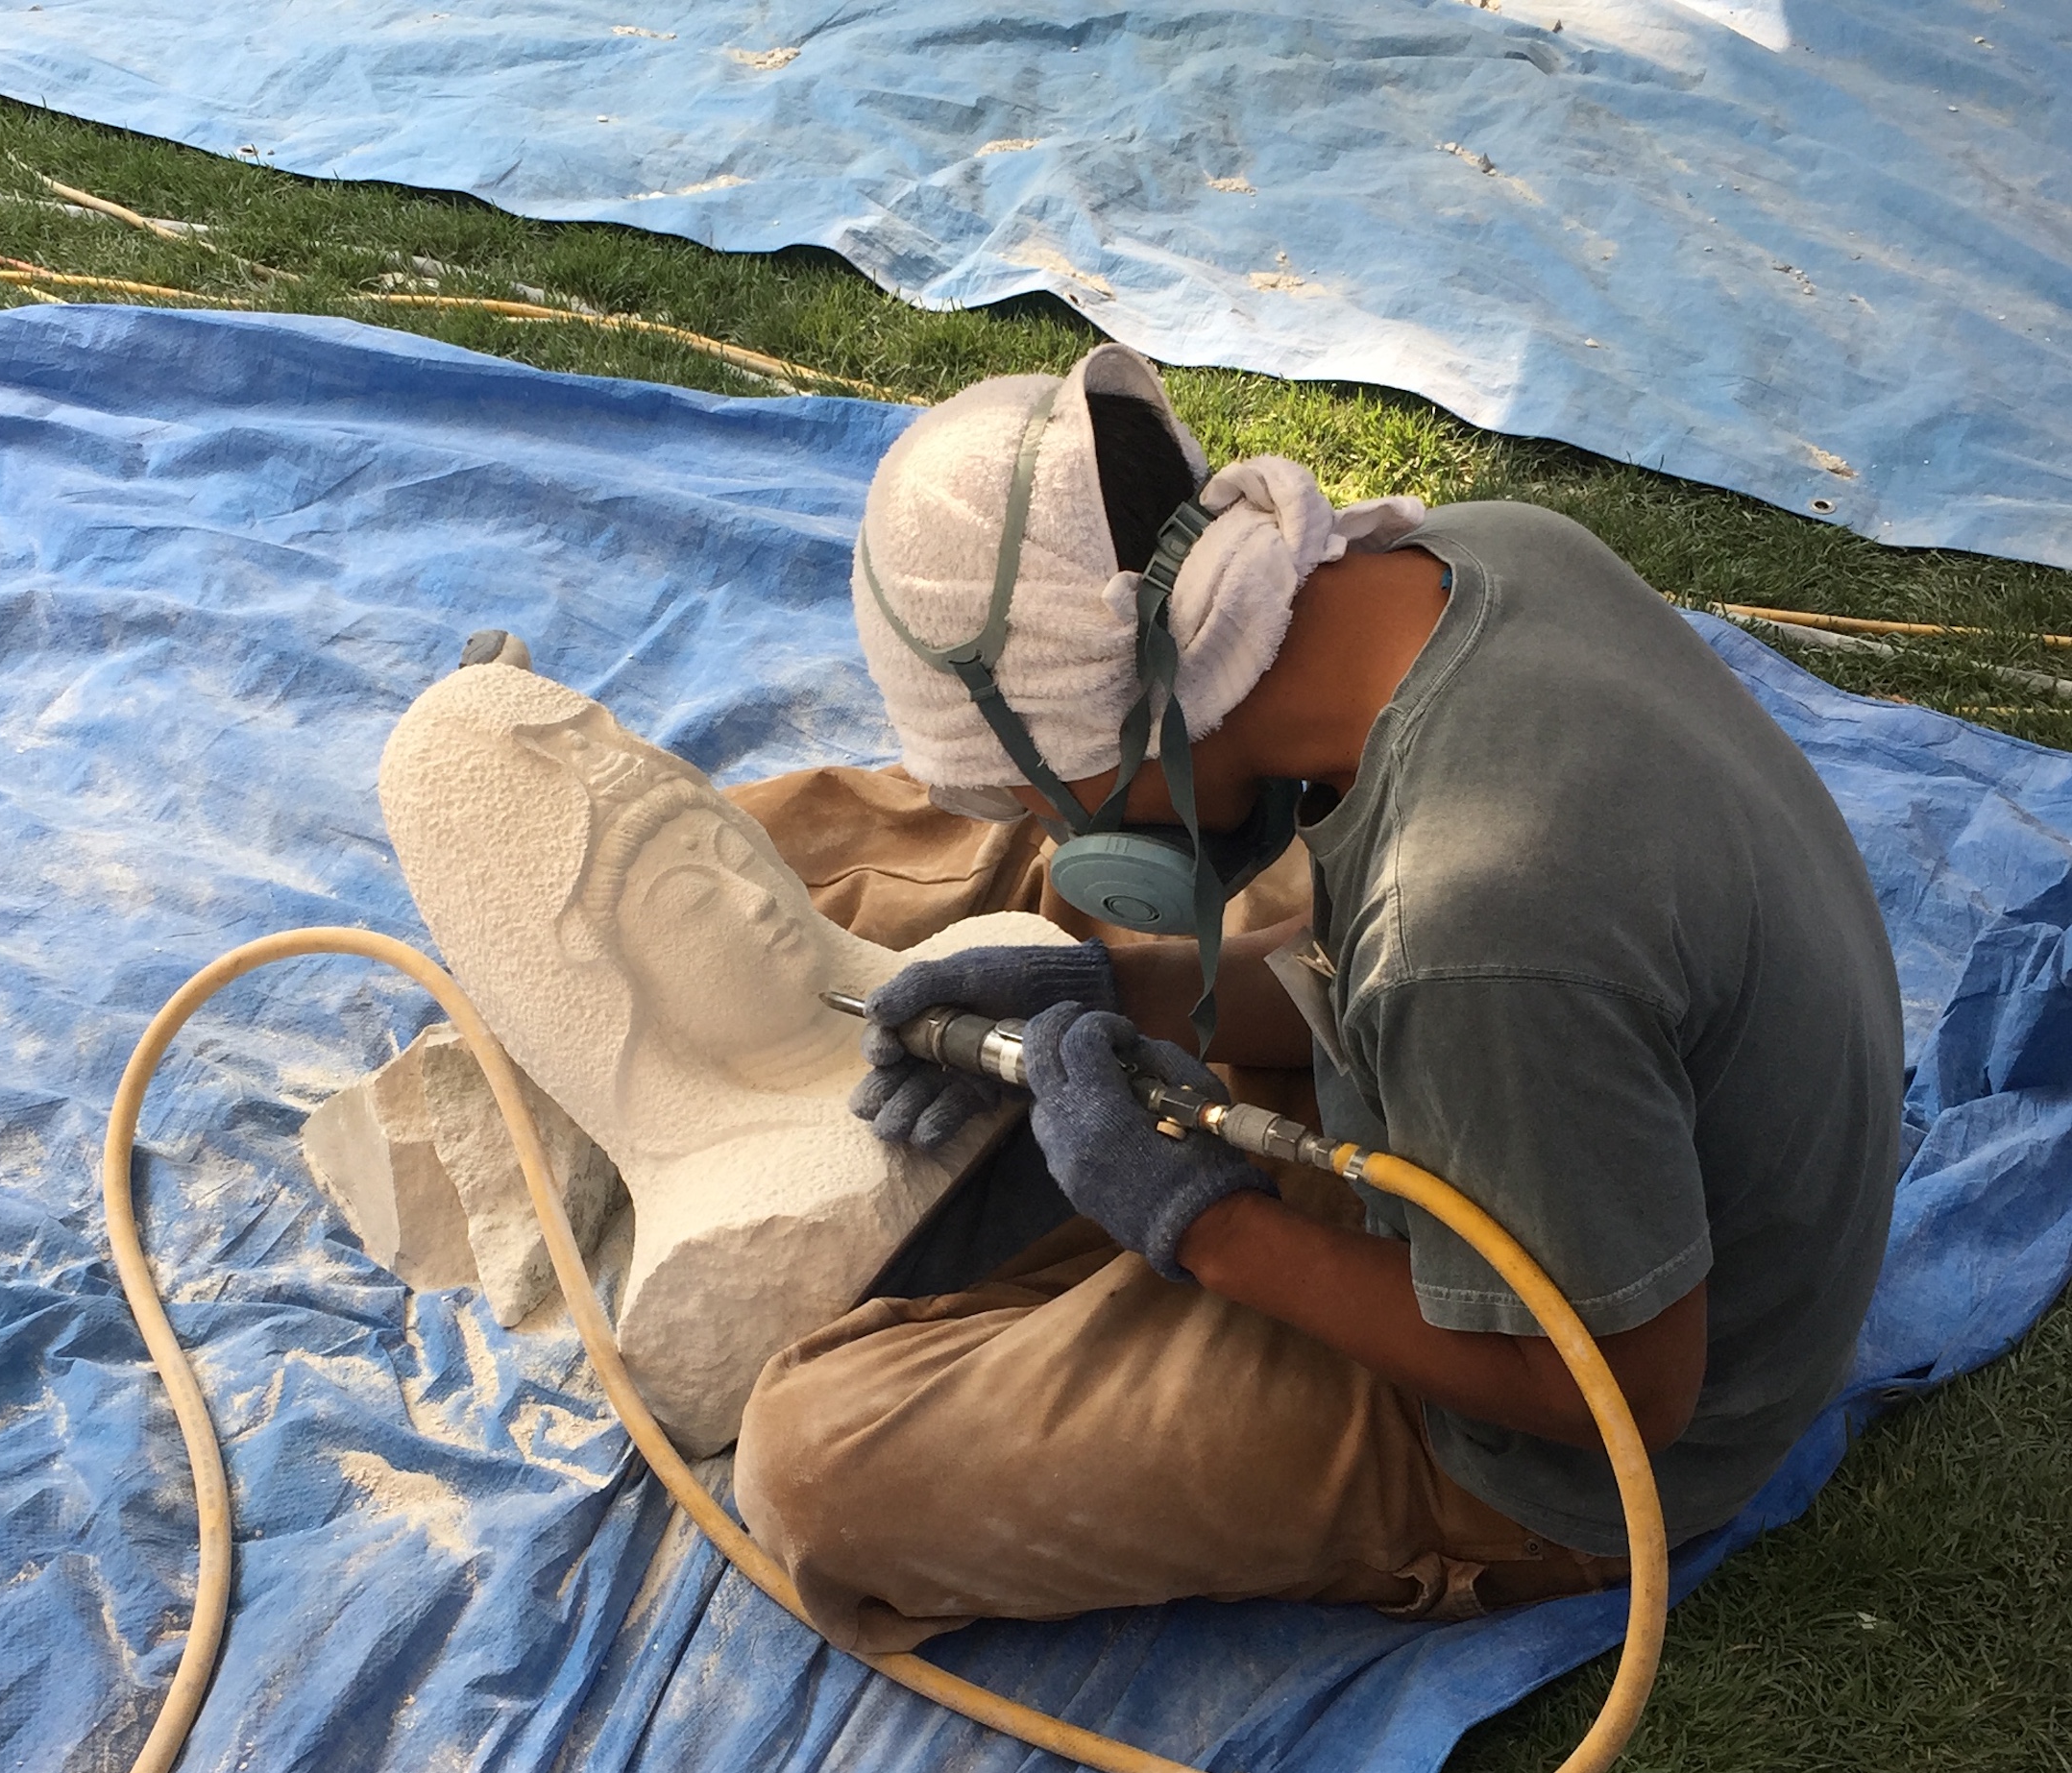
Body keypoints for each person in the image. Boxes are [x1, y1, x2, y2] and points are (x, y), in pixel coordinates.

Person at [729, 342, 1904, 1656]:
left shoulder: (1476, 923)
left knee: (814, 1464)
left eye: (1035, 800)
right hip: (1595, 1124)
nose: (1055, 843)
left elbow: (1624, 1391)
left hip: (1574, 1444)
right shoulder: (1478, 555)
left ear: (1086, 726)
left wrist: (1212, 1231)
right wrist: (1117, 979)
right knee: (1087, 925)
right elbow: (1370, 969)